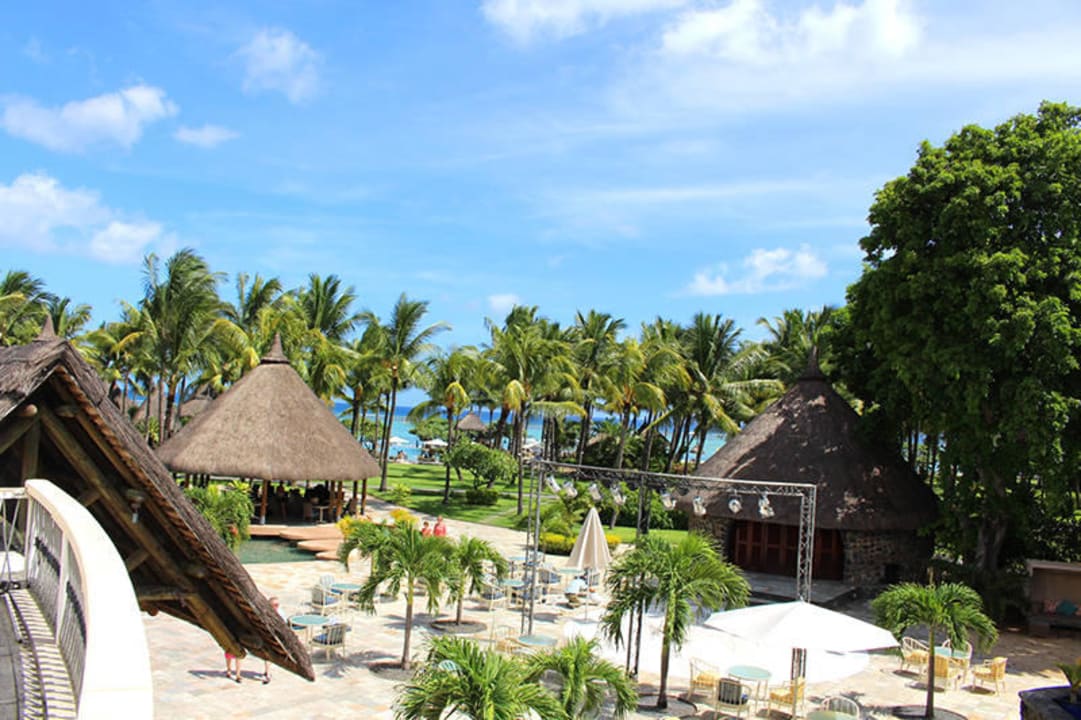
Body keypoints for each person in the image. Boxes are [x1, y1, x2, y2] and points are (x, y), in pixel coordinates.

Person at [262, 596, 287, 684]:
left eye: (277, 605)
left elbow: (284, 625)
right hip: (268, 635)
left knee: (270, 655)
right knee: (268, 654)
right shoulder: (265, 613)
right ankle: (267, 673)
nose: (276, 606)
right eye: (275, 605)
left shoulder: (280, 613)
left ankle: (267, 672)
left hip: (276, 636)